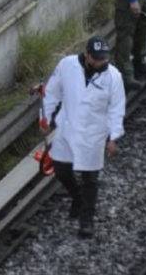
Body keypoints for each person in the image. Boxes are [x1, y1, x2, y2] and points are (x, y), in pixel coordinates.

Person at [39, 37, 125, 238]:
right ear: (87, 55)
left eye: (103, 59)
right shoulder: (67, 65)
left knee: (90, 179)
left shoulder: (114, 77)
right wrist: (45, 118)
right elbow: (52, 92)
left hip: (93, 134)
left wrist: (113, 136)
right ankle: (76, 197)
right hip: (67, 127)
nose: (100, 63)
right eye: (96, 59)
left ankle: (87, 221)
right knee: (60, 169)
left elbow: (116, 108)